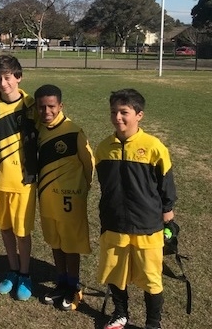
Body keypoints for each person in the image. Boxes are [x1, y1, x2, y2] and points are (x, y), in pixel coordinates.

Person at [96, 89, 177, 329]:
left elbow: (166, 183)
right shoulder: (103, 148)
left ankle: (153, 323)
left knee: (151, 278)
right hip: (114, 222)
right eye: (113, 112)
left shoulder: (153, 147)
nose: (117, 118)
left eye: (124, 112)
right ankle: (120, 313)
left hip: (147, 225)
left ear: (139, 115)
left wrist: (168, 212)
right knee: (115, 271)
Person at [0, 55, 38, 301]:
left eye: (8, 77)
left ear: (19, 77)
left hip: (23, 182)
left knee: (22, 232)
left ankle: (25, 274)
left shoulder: (32, 105)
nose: (3, 83)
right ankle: (12, 270)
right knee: (5, 230)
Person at [34, 84, 94, 311]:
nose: (46, 112)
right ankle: (61, 281)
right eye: (41, 107)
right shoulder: (39, 129)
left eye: (51, 106)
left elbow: (89, 165)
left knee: (70, 245)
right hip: (47, 197)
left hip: (70, 200)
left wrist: (81, 191)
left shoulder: (73, 131)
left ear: (61, 106)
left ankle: (73, 285)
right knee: (55, 242)